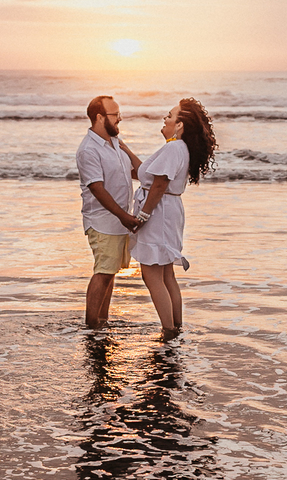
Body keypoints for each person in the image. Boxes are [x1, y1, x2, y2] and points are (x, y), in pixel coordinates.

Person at [129, 98, 216, 337]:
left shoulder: (173, 147)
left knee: (151, 272)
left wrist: (143, 215)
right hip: (168, 210)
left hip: (160, 212)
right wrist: (123, 149)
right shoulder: (176, 148)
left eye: (170, 115)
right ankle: (175, 327)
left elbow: (159, 184)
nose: (165, 119)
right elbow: (143, 172)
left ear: (179, 125)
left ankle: (168, 330)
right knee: (166, 272)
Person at [76, 95, 142, 329]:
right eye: (115, 115)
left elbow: (136, 172)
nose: (120, 118)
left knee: (110, 272)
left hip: (118, 222)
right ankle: (92, 327)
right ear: (99, 117)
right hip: (103, 221)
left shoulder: (115, 142)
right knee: (103, 272)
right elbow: (97, 188)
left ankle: (102, 322)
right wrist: (123, 216)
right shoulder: (89, 149)